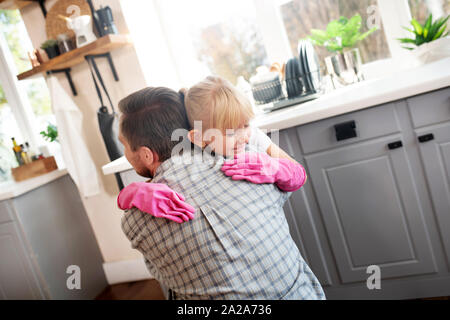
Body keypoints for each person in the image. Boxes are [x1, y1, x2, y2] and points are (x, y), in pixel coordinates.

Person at [118, 86, 325, 299]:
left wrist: (128, 196)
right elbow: (294, 177)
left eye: (123, 144)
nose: (243, 135)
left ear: (146, 155)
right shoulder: (248, 163)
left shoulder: (134, 221)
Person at [118, 76, 307, 221]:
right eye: (231, 132)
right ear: (199, 138)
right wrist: (132, 194)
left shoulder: (250, 137)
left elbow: (299, 174)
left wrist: (277, 168)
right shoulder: (186, 150)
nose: (244, 136)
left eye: (246, 124)